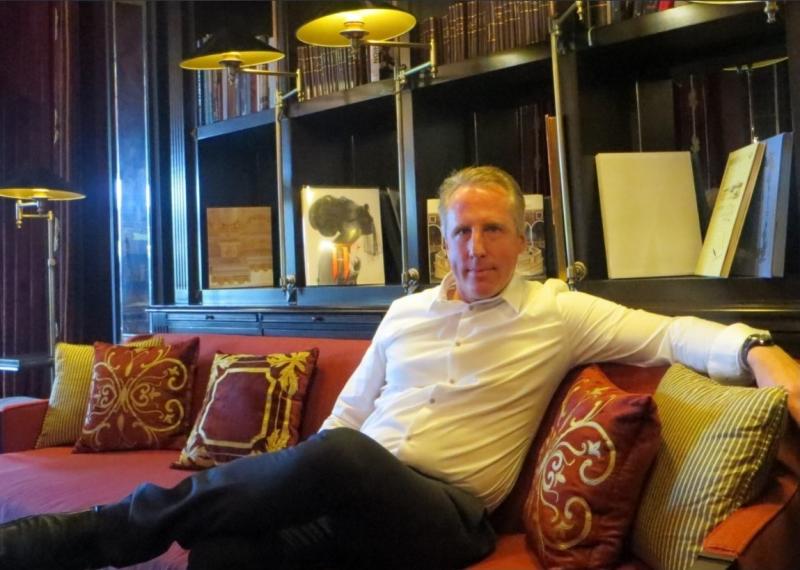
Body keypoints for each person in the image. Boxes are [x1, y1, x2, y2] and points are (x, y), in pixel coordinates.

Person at [1, 166, 798, 570]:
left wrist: (759, 351)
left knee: (343, 457)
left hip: (444, 517)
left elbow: (668, 334)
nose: (477, 248)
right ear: (442, 242)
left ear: (523, 239)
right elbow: (348, 413)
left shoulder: (557, 311)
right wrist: (294, 480)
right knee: (224, 555)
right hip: (352, 497)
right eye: (462, 233)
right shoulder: (407, 312)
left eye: (494, 231)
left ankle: (101, 532)